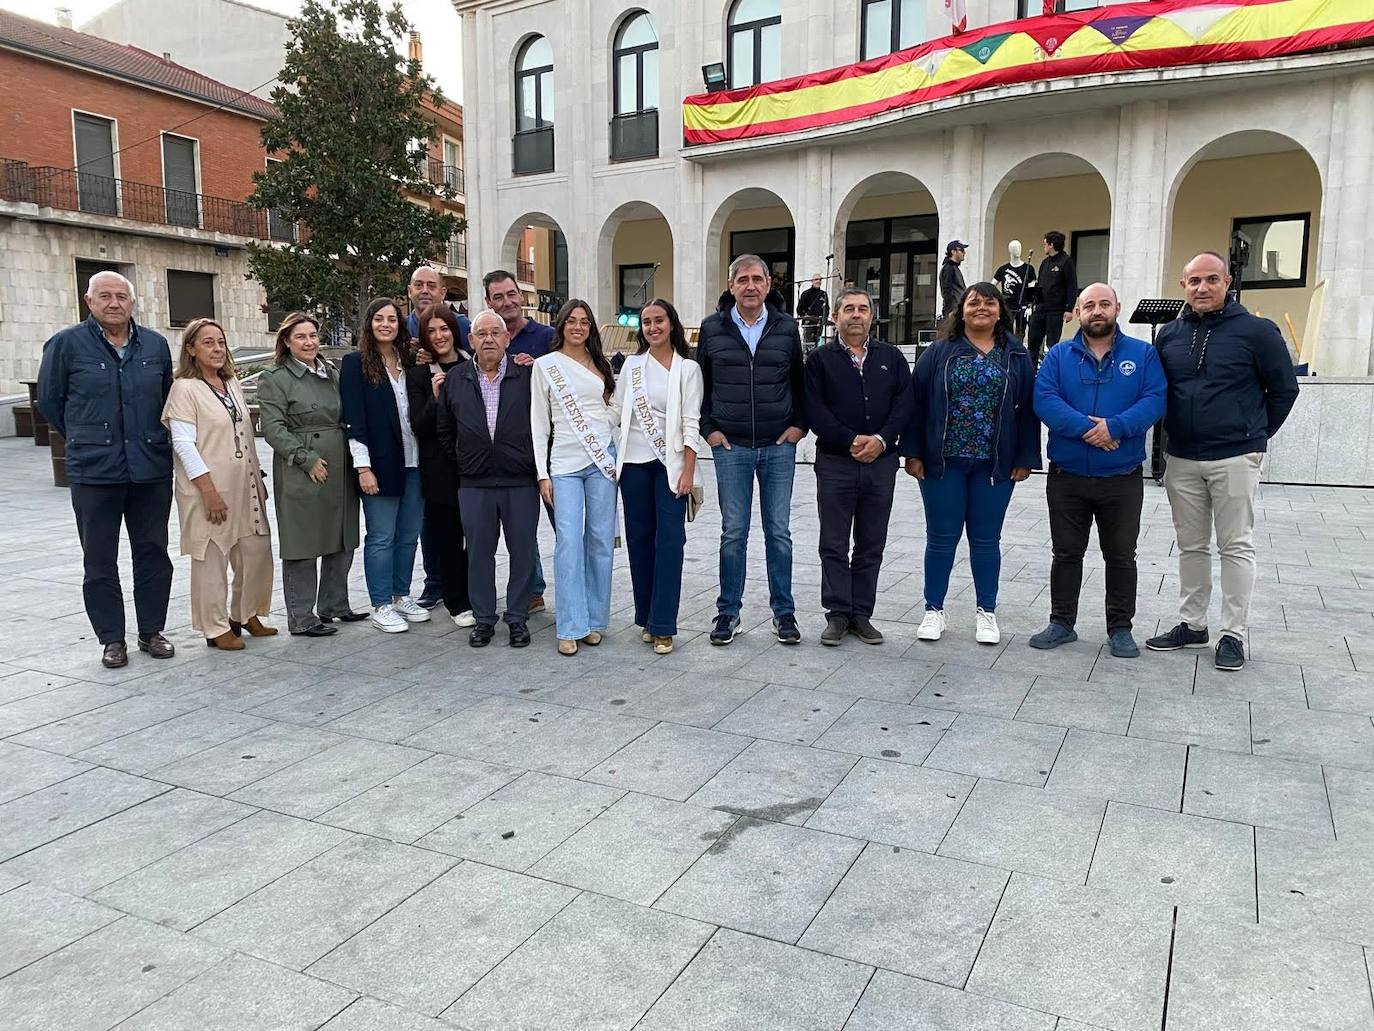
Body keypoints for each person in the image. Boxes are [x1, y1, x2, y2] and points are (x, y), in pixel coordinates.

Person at [1146, 252, 1300, 671]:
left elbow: (1284, 390)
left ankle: (1233, 633)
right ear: (1183, 286)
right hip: (1182, 459)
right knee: (1191, 545)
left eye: (1211, 279)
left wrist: (1255, 435)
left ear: (1227, 281)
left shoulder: (1257, 332)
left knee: (1236, 546)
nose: (1202, 288)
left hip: (1235, 456)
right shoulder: (1170, 336)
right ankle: (1192, 624)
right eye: (1194, 280)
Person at [37, 270, 176, 669]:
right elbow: (50, 401)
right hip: (94, 472)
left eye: (121, 296)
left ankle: (152, 630)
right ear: (89, 301)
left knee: (152, 552)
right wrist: (86, 437)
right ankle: (111, 639)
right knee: (99, 559)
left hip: (149, 468)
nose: (114, 303)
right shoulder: (66, 344)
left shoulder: (155, 344)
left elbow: (166, 399)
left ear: (132, 302)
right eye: (105, 296)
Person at [1030, 284, 1167, 658]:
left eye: (1104, 304)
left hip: (1121, 478)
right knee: (1066, 553)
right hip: (1067, 476)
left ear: (1117, 308)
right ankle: (1061, 622)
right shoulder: (1058, 355)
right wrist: (1091, 431)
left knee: (1121, 556)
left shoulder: (1143, 355)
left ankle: (1121, 628)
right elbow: (1044, 399)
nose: (1097, 311)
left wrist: (1115, 428)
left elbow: (1154, 399)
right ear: (1077, 311)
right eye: (1089, 305)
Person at [902, 282, 1041, 645]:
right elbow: (916, 404)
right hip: (942, 462)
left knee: (985, 540)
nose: (981, 308)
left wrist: (1027, 456)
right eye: (974, 302)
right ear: (961, 310)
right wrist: (912, 452)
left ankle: (986, 612)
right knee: (941, 538)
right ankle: (934, 609)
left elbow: (1028, 409)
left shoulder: (1016, 355)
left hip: (995, 465)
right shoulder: (939, 352)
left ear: (1000, 311)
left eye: (989, 303)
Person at [698, 253, 807, 646]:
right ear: (731, 286)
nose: (750, 286)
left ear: (768, 284)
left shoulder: (786, 327)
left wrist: (799, 426)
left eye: (757, 279)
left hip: (779, 447)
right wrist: (709, 430)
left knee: (779, 532)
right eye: (742, 279)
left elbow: (799, 379)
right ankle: (728, 611)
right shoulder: (712, 329)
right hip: (732, 447)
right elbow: (701, 386)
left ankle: (785, 613)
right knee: (734, 533)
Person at [804, 288, 913, 646]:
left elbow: (904, 405)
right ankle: (837, 614)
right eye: (848, 309)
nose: (855, 315)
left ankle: (861, 614)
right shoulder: (820, 360)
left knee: (871, 542)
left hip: (881, 465)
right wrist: (851, 439)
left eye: (863, 309)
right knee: (833, 542)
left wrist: (881, 440)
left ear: (871, 316)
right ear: (835, 317)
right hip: (837, 463)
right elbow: (815, 410)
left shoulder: (892, 358)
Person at [161, 319, 275, 650]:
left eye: (221, 342)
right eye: (208, 342)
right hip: (207, 488)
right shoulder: (184, 388)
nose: (216, 349)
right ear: (191, 349)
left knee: (255, 550)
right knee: (211, 558)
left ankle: (246, 613)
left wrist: (258, 479)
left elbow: (245, 436)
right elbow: (183, 445)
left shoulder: (230, 382)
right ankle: (215, 626)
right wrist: (209, 492)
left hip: (244, 484)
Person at [256, 312, 364, 637]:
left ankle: (334, 604)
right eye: (301, 337)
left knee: (341, 537)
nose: (309, 342)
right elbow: (273, 429)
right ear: (287, 342)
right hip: (303, 469)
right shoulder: (274, 378)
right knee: (302, 544)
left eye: (313, 335)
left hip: (339, 464)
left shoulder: (330, 371)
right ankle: (302, 617)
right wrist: (305, 458)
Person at [437, 310, 539, 648]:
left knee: (522, 552)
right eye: (482, 333)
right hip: (475, 483)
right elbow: (445, 430)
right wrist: (465, 460)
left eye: (496, 332)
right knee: (479, 553)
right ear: (471, 340)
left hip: (520, 480)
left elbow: (545, 426)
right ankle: (483, 620)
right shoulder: (457, 378)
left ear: (507, 338)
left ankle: (517, 618)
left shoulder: (528, 375)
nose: (489, 339)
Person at [614, 299, 704, 655]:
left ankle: (664, 624)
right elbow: (615, 411)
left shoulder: (688, 370)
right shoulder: (632, 366)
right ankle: (647, 618)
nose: (653, 327)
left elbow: (692, 423)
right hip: (633, 466)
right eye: (647, 322)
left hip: (671, 469)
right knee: (639, 542)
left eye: (659, 321)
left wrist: (689, 470)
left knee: (670, 544)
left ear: (672, 324)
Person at [531, 300, 620, 656]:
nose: (578, 327)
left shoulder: (602, 365)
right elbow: (539, 424)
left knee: (599, 540)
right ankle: (569, 625)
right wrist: (541, 473)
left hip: (602, 464)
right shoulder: (545, 367)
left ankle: (594, 620)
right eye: (572, 321)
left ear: (591, 328)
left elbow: (615, 407)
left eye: (584, 322)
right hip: (564, 464)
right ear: (561, 326)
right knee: (568, 541)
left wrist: (605, 422)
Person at [339, 298, 428, 633]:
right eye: (379, 319)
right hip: (379, 464)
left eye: (392, 319)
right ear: (369, 324)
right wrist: (363, 468)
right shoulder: (355, 364)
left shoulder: (409, 361)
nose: (386, 324)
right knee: (381, 537)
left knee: (408, 535)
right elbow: (354, 420)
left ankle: (400, 595)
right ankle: (379, 604)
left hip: (415, 462)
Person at [483, 268, 553, 611]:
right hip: (513, 453)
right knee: (522, 529)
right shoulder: (485, 338)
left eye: (511, 294)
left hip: (552, 448)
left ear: (521, 296)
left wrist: (536, 366)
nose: (507, 302)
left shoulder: (547, 336)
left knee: (563, 523)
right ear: (488, 302)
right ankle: (532, 588)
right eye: (498, 297)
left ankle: (576, 587)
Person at [406, 304, 475, 629]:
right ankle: (456, 600)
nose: (439, 336)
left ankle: (475, 593)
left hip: (475, 466)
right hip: (439, 471)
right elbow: (418, 425)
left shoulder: (472, 365)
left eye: (443, 329)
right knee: (447, 538)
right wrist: (434, 398)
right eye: (431, 331)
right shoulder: (419, 374)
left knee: (476, 536)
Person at [1027, 231, 1078, 366]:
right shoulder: (1045, 263)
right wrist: (1032, 303)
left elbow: (1072, 286)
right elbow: (1040, 284)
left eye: (1045, 244)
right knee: (1033, 343)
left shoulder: (1066, 262)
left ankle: (1051, 371)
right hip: (1040, 308)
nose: (1044, 246)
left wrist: (1069, 308)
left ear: (1052, 245)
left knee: (1052, 344)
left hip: (1056, 310)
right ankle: (1031, 373)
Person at [797, 274, 830, 345]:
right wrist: (805, 316)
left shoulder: (823, 294)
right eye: (816, 279)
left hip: (819, 323)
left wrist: (825, 318)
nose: (818, 281)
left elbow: (827, 308)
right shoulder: (805, 294)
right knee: (809, 344)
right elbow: (799, 309)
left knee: (818, 343)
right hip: (809, 323)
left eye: (820, 280)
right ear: (811, 281)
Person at [939, 240, 968, 321]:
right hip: (954, 312)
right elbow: (946, 291)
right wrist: (950, 311)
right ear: (953, 252)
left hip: (957, 310)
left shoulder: (953, 268)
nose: (964, 253)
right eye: (961, 250)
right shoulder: (949, 268)